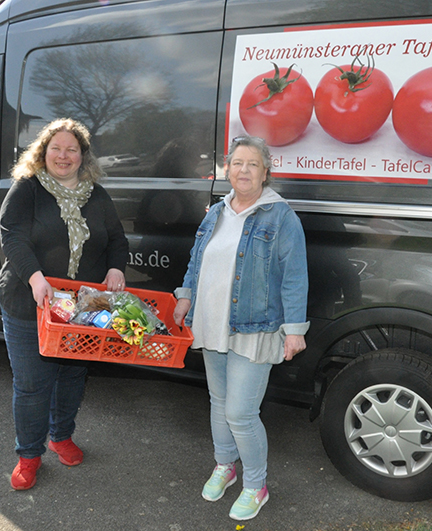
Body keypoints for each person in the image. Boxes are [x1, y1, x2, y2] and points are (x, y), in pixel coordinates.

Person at [173, 135, 308, 521]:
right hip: (211, 321)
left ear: (265, 173)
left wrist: (294, 329)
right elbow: (196, 260)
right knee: (218, 402)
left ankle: (256, 485)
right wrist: (185, 296)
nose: (243, 170)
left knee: (240, 413)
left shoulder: (280, 216)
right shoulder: (216, 212)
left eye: (252, 164)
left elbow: (295, 276)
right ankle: (224, 466)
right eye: (237, 163)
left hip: (256, 328)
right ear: (227, 169)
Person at [0, 118, 129, 490]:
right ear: (43, 152)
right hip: (29, 304)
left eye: (72, 149)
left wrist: (116, 267)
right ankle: (29, 455)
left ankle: (61, 436)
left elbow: (117, 239)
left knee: (71, 376)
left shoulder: (96, 196)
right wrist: (35, 277)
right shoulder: (28, 189)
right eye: (56, 148)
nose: (63, 155)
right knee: (32, 384)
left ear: (83, 156)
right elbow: (13, 237)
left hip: (79, 310)